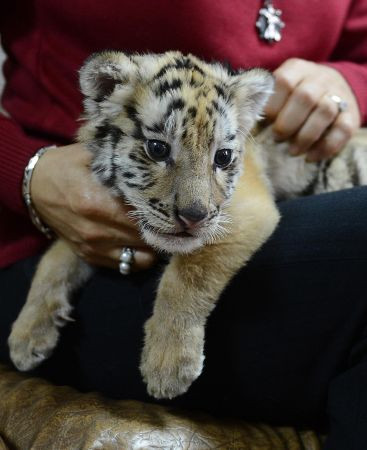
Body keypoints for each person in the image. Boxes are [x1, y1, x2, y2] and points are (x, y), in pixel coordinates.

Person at [0, 1, 366, 448]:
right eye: (157, 150)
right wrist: (25, 171)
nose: (195, 206)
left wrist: (350, 82)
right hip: (37, 239)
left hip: (303, 188)